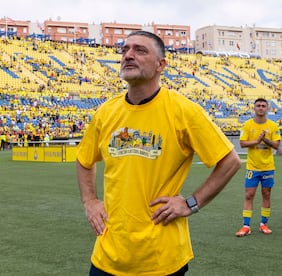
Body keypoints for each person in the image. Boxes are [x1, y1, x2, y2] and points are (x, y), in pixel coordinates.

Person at [76, 31, 241, 275]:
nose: (129, 55)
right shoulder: (105, 113)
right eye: (125, 50)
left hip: (161, 259)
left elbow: (230, 160)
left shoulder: (183, 110)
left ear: (161, 65)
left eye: (140, 50)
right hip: (107, 257)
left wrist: (191, 203)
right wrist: (90, 201)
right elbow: (84, 160)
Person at [235, 98, 281, 237]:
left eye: (263, 106)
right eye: (258, 106)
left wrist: (265, 139)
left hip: (268, 166)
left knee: (266, 194)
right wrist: (258, 140)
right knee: (249, 194)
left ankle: (263, 224)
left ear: (267, 108)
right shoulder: (247, 125)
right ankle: (246, 226)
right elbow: (242, 143)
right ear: (254, 108)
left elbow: (277, 145)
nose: (261, 108)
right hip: (252, 167)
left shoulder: (273, 126)